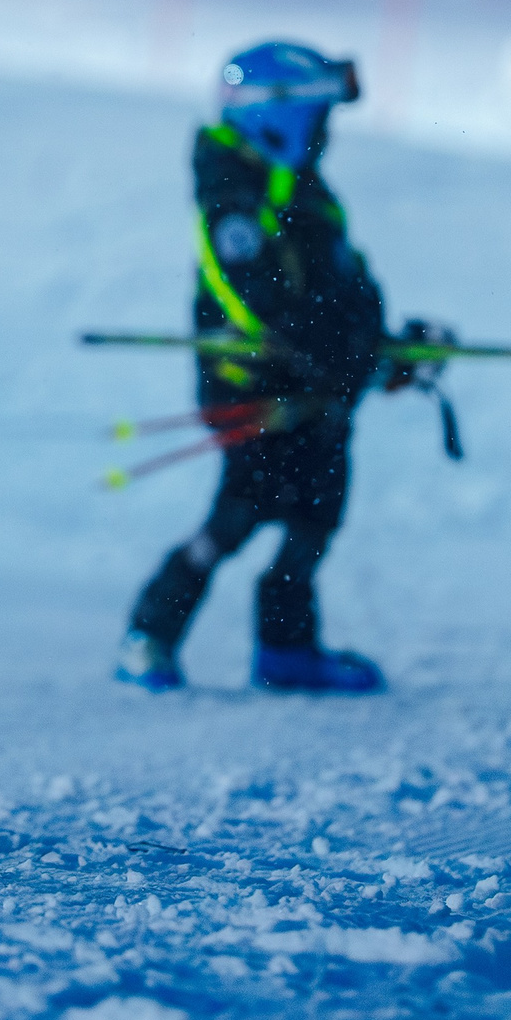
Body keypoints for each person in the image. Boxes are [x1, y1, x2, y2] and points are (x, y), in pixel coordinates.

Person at [116, 40, 405, 695]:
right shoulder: (232, 196)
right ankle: (148, 633)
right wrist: (338, 351)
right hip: (256, 390)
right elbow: (256, 300)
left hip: (317, 388)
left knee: (316, 514)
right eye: (319, 118)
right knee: (239, 514)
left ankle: (287, 650)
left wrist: (381, 346)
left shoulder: (303, 188)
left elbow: (338, 286)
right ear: (278, 117)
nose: (327, 134)